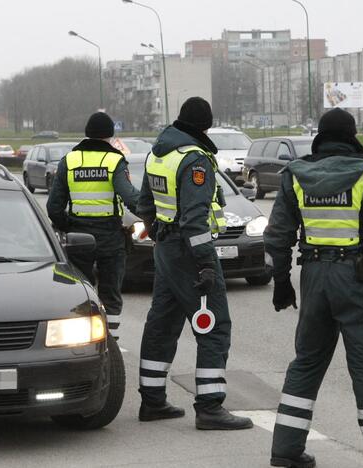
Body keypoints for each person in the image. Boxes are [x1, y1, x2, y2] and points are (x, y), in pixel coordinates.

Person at [265, 108, 363, 468]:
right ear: (351, 137)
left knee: (306, 363)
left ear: (321, 137)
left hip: (314, 278)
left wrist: (282, 281)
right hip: (359, 281)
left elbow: (278, 235)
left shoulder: (295, 175)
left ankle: (285, 450)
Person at [136, 97, 252, 431]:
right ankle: (210, 407)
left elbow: (146, 204)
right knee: (214, 327)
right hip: (190, 253)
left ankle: (153, 400)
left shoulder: (159, 154)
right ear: (205, 126)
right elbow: (194, 221)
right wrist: (204, 264)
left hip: (166, 250)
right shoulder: (195, 160)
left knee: (162, 324)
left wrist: (159, 233)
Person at [46, 112, 139, 339]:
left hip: (79, 239)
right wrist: (153, 217)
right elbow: (130, 198)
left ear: (87, 134)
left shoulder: (70, 161)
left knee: (80, 293)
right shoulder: (115, 161)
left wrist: (69, 226)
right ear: (110, 137)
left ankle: (83, 340)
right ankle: (111, 342)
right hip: (110, 237)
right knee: (111, 295)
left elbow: (53, 208)